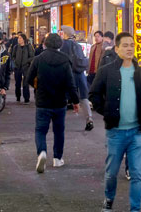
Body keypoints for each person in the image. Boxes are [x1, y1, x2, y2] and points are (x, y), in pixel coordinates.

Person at [89, 33, 141, 212]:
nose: (129, 48)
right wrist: (106, 112)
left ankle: (135, 209)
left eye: (132, 45)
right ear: (117, 49)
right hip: (116, 132)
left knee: (137, 175)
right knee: (112, 173)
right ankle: (109, 199)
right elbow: (94, 95)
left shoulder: (140, 72)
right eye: (125, 45)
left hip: (137, 132)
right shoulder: (107, 70)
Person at [26, 32, 81, 172]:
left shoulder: (38, 59)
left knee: (40, 130)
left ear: (45, 43)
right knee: (59, 131)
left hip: (43, 101)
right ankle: (57, 158)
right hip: (60, 102)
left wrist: (37, 87)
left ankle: (42, 152)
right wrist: (75, 101)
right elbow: (70, 83)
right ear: (60, 44)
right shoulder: (65, 59)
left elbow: (28, 78)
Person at [60, 26, 94, 131]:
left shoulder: (62, 45)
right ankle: (89, 119)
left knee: (63, 97)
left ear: (65, 34)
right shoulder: (77, 45)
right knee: (84, 97)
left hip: (67, 74)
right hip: (80, 74)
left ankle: (60, 121)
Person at [10, 32, 34, 103]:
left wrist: (27, 61)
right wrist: (14, 62)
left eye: (20, 38)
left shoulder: (28, 47)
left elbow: (32, 56)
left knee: (25, 84)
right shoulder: (16, 47)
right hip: (17, 68)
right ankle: (18, 96)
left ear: (24, 39)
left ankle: (26, 98)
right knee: (17, 83)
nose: (19, 40)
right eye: (18, 38)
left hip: (26, 68)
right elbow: (12, 56)